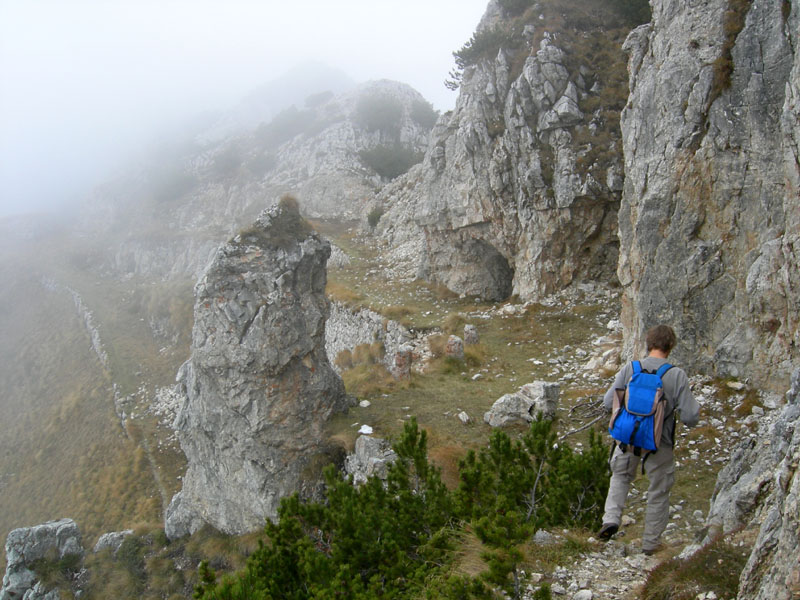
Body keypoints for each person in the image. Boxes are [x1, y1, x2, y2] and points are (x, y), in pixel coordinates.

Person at [597, 324, 700, 555]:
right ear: (670, 347)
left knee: (620, 477)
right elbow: (691, 416)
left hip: (627, 438)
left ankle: (611, 519)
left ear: (648, 343)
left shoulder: (630, 369)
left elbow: (607, 403)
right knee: (658, 490)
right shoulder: (676, 375)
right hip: (658, 442)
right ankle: (650, 544)